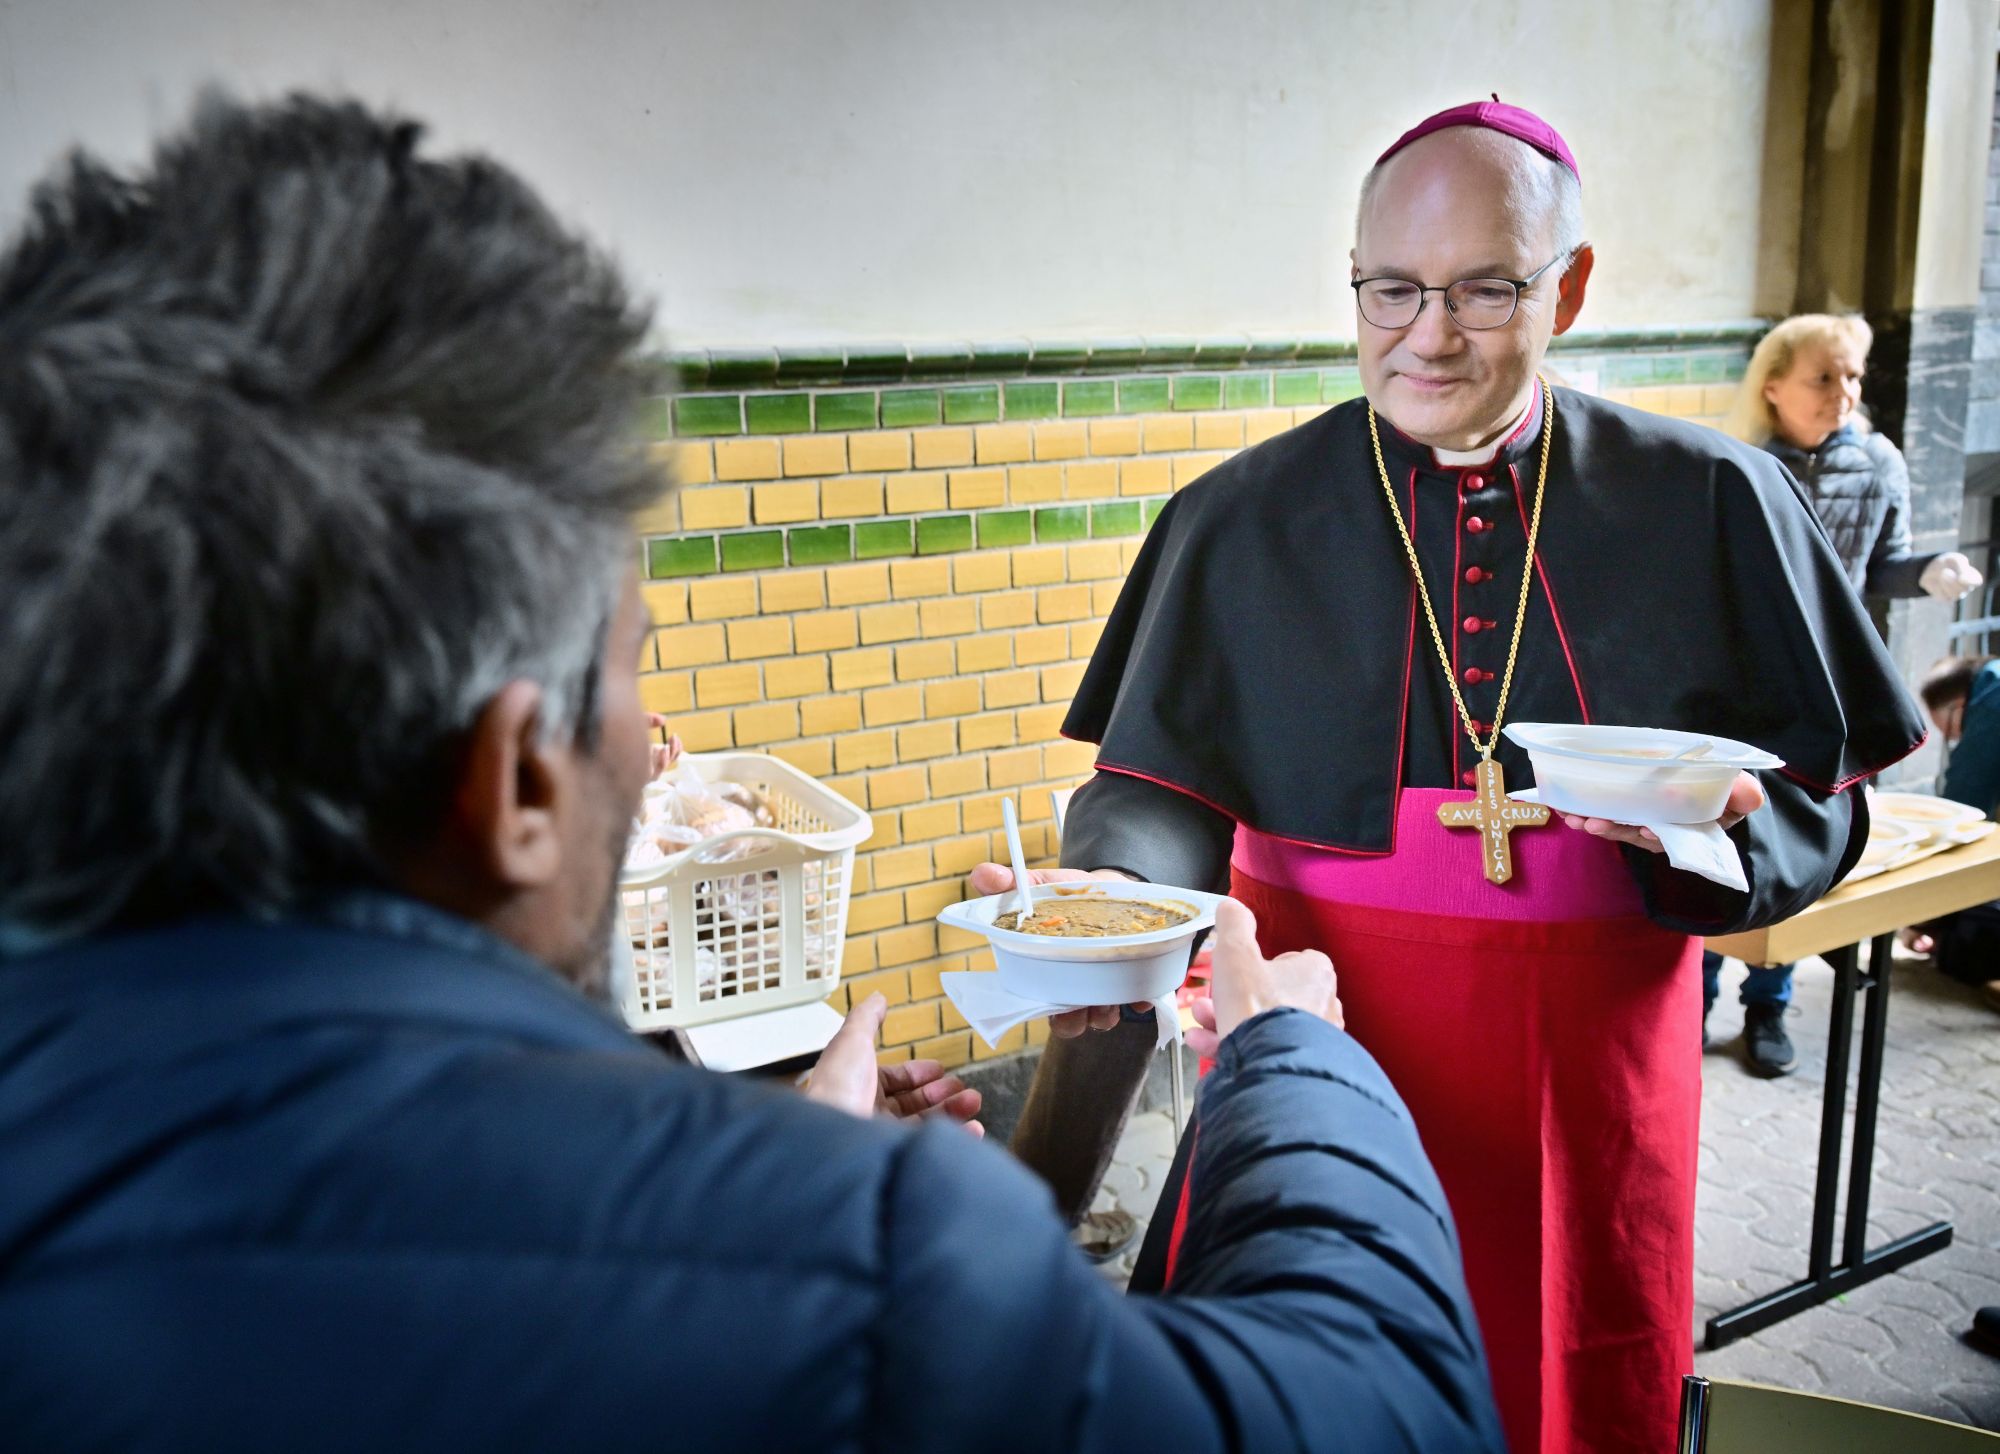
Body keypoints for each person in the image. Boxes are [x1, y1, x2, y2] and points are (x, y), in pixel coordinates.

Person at [0, 94, 1507, 1453]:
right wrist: (1291, 1063)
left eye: (1479, 289)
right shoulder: (874, 1269)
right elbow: (1382, 1407)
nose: (1431, 330)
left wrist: (765, 1158)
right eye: (630, 672)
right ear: (515, 783)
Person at [1004, 99, 1926, 1454]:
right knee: (1306, 1385)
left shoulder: (1716, 502)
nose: (1428, 332)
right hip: (1317, 1053)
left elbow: (1820, 807)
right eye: (1390, 289)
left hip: (1588, 1103)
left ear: (1573, 285)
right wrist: (1118, 891)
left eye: (1484, 288)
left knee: (1576, 1389)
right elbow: (1159, 780)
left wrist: (1723, 846)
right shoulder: (1237, 516)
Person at [1698, 315, 1985, 1074]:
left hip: (1831, 689)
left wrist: (1925, 572)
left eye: (1852, 377)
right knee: (1720, 839)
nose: (1845, 392)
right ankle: (1697, 993)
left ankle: (1770, 1006)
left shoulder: (1880, 461)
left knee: (1800, 845)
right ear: (1774, 386)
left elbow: (1882, 564)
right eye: (1824, 377)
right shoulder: (1739, 464)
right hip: (1741, 685)